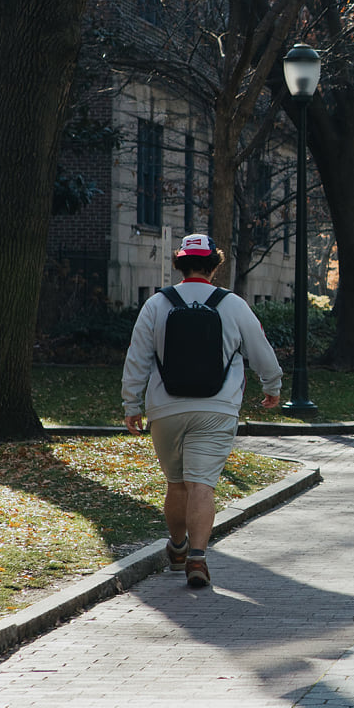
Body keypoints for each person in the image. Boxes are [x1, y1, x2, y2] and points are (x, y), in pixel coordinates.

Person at [121, 234, 282, 589]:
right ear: (214, 265)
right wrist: (272, 386)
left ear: (179, 264)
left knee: (176, 484)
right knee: (202, 486)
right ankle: (197, 556)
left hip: (165, 408)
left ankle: (177, 548)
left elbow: (137, 357)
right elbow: (261, 349)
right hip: (218, 408)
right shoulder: (233, 304)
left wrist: (131, 404)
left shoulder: (156, 304)